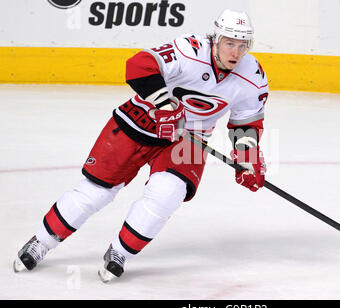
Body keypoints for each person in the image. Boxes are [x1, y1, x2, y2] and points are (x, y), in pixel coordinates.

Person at [13, 9, 269, 282]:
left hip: (187, 140)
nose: (236, 52)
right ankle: (41, 242)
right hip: (139, 123)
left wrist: (247, 154)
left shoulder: (252, 75)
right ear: (215, 39)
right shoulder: (189, 49)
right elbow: (139, 64)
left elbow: (247, 121)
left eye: (243, 45)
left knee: (168, 193)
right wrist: (164, 105)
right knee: (96, 192)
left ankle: (120, 252)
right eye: (230, 43)